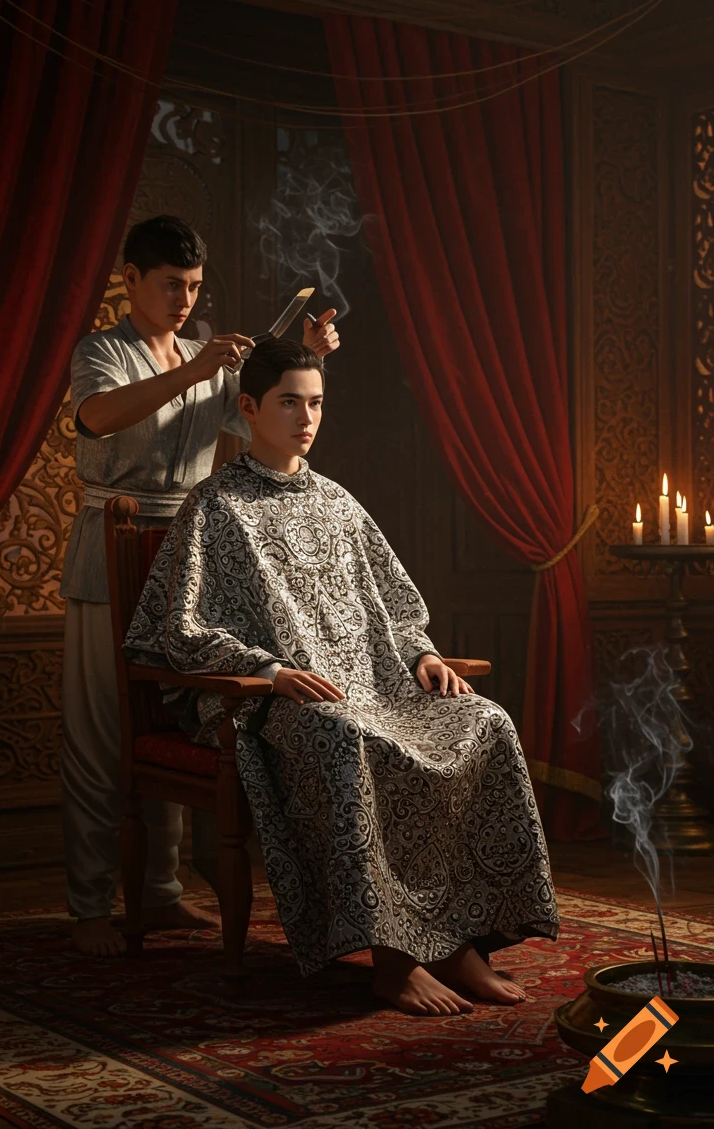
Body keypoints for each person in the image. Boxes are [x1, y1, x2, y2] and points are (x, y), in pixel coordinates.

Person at [123, 338, 559, 1014]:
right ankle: (394, 960)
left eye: (317, 402)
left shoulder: (338, 502)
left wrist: (422, 656)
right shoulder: (214, 506)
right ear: (249, 407)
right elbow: (178, 629)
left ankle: (460, 943)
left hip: (375, 688)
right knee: (348, 736)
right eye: (290, 402)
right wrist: (269, 672)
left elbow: (396, 605)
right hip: (268, 707)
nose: (306, 417)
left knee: (485, 721)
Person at [60, 216, 339, 956]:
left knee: (181, 711)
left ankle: (160, 895)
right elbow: (96, 417)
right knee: (102, 732)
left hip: (187, 543)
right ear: (131, 279)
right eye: (169, 285)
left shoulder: (204, 353)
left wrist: (301, 359)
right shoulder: (103, 351)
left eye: (192, 287)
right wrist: (195, 370)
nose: (184, 300)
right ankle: (91, 906)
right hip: (110, 543)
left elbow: (258, 430)